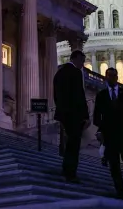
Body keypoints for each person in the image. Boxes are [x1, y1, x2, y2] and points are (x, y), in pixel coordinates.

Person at [93, 67, 123, 202]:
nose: (112, 78)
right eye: (109, 76)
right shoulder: (101, 95)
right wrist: (100, 130)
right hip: (109, 135)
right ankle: (120, 191)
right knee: (114, 166)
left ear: (117, 78)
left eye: (114, 76)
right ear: (105, 78)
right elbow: (97, 116)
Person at [53, 50, 90, 183]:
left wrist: (61, 111)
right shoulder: (75, 73)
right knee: (74, 145)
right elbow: (80, 96)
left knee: (69, 143)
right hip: (74, 115)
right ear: (75, 59)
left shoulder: (60, 72)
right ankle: (71, 172)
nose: (82, 64)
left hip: (64, 114)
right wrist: (85, 116)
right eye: (81, 61)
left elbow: (56, 95)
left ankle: (66, 168)